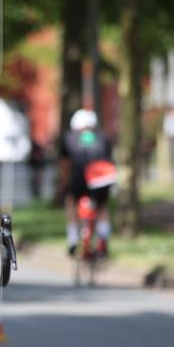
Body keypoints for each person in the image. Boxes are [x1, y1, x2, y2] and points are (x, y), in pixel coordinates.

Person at [60, 108, 114, 258]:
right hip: (101, 179)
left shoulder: (70, 138)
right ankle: (103, 238)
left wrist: (64, 183)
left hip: (79, 178)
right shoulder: (103, 137)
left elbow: (65, 163)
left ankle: (73, 239)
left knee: (72, 202)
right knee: (102, 206)